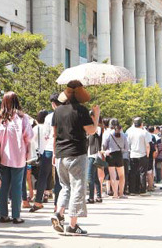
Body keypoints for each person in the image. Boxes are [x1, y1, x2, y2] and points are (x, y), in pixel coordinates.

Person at [50, 80, 99, 236]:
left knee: (65, 186)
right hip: (77, 153)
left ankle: (58, 213)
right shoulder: (81, 110)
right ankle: (72, 225)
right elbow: (91, 131)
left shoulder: (57, 111)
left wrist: (54, 153)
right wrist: (96, 116)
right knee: (78, 187)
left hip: (60, 154)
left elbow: (54, 134)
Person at [0, 92, 33, 224]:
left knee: (4, 185)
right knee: (17, 186)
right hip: (18, 156)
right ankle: (16, 216)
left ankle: (3, 215)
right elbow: (29, 136)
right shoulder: (22, 118)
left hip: (2, 157)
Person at [102, 118, 128, 199]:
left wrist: (107, 151)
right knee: (121, 175)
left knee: (112, 175)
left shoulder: (107, 133)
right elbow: (126, 148)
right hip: (119, 155)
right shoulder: (123, 134)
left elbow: (104, 145)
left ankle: (115, 194)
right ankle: (121, 193)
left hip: (110, 155)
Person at [126, 117, 151, 196]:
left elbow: (127, 144)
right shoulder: (144, 132)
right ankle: (142, 190)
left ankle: (132, 190)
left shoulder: (130, 132)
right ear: (141, 124)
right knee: (142, 173)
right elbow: (147, 145)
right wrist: (147, 154)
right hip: (142, 154)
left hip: (133, 154)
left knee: (133, 172)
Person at [86, 112, 105, 204]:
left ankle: (91, 198)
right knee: (95, 177)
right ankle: (98, 196)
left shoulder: (98, 128)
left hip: (93, 155)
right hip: (92, 154)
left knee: (90, 177)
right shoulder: (94, 128)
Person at [145, 126, 158, 192]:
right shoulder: (151, 140)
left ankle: (145, 186)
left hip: (142, 157)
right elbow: (154, 150)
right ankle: (150, 186)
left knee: (144, 173)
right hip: (149, 158)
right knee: (149, 172)